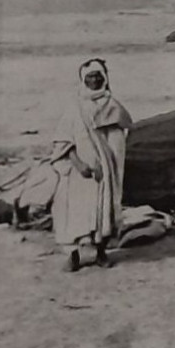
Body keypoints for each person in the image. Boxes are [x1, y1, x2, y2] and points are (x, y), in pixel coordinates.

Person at [51, 58, 133, 271]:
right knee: (75, 212)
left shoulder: (113, 106)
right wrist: (79, 164)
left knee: (103, 210)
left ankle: (101, 253)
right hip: (80, 173)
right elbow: (63, 141)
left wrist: (107, 165)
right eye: (90, 76)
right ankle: (75, 256)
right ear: (83, 79)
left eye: (98, 76)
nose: (95, 80)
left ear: (105, 78)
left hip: (104, 172)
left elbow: (119, 137)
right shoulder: (75, 108)